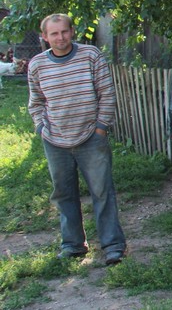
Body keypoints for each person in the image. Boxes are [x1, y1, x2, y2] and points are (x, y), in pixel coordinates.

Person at [27, 14, 127, 266]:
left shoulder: (91, 55)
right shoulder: (37, 65)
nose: (60, 38)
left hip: (90, 138)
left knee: (102, 191)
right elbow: (36, 102)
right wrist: (40, 127)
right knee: (63, 193)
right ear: (45, 37)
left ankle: (113, 246)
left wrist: (101, 128)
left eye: (64, 32)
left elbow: (107, 93)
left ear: (72, 31)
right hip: (55, 141)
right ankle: (73, 245)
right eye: (54, 34)